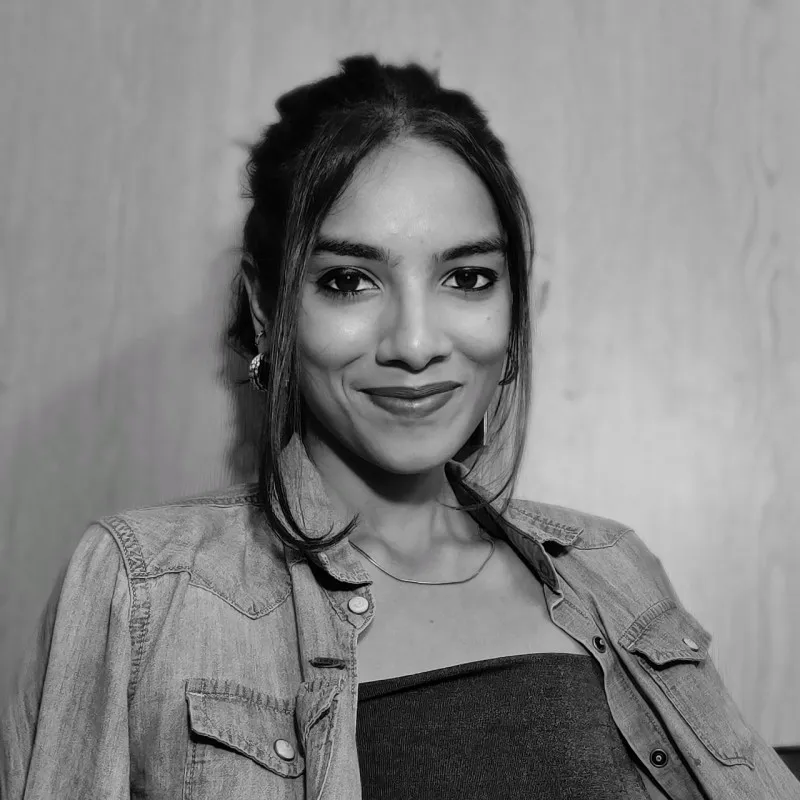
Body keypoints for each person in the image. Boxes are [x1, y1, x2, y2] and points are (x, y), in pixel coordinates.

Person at [1, 55, 797, 800]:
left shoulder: (613, 568)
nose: (416, 343)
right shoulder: (142, 589)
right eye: (348, 280)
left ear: (515, 306)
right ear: (267, 308)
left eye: (467, 277)